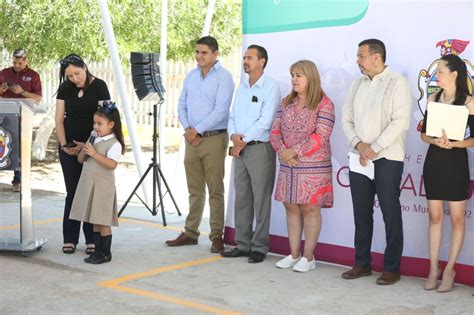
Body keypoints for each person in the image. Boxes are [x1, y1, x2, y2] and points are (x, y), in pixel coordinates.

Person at [341, 39, 412, 285]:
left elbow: (400, 122)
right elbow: (346, 120)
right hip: (359, 157)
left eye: (361, 56)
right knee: (361, 213)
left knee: (390, 213)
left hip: (387, 158)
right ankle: (362, 264)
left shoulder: (397, 83)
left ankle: (392, 268)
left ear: (376, 57)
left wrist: (374, 148)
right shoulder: (356, 84)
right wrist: (359, 145)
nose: (357, 61)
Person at [165, 36, 234, 253]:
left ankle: (216, 236)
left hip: (213, 138)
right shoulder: (191, 76)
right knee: (194, 189)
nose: (199, 56)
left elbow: (221, 110)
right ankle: (191, 233)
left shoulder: (224, 77)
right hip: (191, 139)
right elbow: (181, 105)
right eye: (197, 52)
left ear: (215, 54)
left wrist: (198, 130)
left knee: (215, 189)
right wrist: (188, 129)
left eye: (204, 52)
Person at [270, 60, 335, 272]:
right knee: (290, 206)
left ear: (311, 77)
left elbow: (321, 136)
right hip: (289, 165)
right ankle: (294, 254)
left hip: (313, 166)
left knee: (310, 208)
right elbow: (275, 131)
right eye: (292, 75)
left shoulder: (324, 104)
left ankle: (308, 258)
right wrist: (283, 152)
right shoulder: (285, 102)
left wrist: (294, 152)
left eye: (299, 75)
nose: (294, 79)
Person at [220, 45, 281, 263]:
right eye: (244, 58)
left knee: (261, 200)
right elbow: (232, 117)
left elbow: (266, 121)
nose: (245, 61)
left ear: (262, 61)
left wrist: (242, 141)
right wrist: (234, 137)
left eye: (250, 58)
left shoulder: (271, 87)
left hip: (259, 149)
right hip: (240, 148)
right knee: (242, 197)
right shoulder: (242, 87)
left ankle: (260, 246)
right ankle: (243, 244)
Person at [420, 54, 474, 292]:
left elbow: (473, 140)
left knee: (457, 218)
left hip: (456, 162)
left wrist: (454, 144)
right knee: (434, 216)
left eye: (440, 71)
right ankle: (434, 268)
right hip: (435, 161)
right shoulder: (433, 98)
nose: (436, 75)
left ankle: (450, 269)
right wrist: (434, 139)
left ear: (454, 74)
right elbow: (423, 134)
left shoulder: (469, 102)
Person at [54, 54, 111, 255]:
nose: (74, 79)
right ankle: (69, 238)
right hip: (69, 148)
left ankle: (92, 239)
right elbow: (59, 119)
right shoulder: (65, 88)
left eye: (77, 73)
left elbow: (105, 119)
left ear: (85, 67)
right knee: (72, 191)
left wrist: (86, 145)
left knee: (89, 191)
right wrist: (64, 145)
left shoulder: (100, 86)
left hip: (92, 148)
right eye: (70, 76)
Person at [69, 102, 125, 264]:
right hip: (90, 185)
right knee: (94, 220)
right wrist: (83, 150)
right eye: (94, 123)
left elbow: (111, 164)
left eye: (99, 124)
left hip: (102, 188)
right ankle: (97, 251)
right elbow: (81, 160)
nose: (96, 126)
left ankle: (105, 253)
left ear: (111, 124)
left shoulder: (114, 143)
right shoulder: (93, 139)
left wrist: (94, 154)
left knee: (102, 221)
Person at [0, 48, 42, 192]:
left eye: (19, 63)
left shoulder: (33, 75)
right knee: (3, 146)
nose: (16, 65)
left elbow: (38, 98)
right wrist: (2, 89)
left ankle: (18, 181)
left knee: (20, 150)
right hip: (4, 116)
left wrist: (22, 92)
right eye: (14, 62)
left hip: (23, 118)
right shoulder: (4, 73)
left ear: (26, 61)